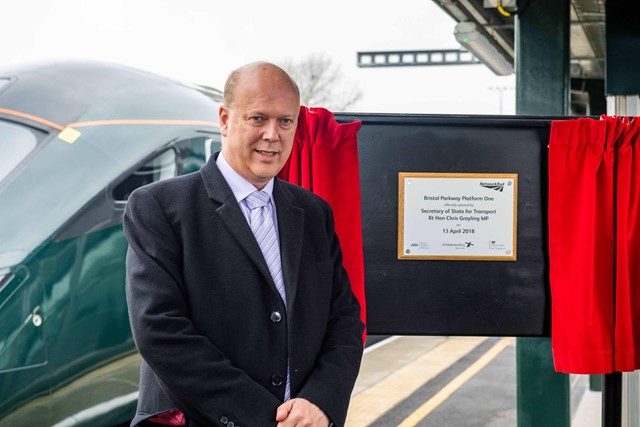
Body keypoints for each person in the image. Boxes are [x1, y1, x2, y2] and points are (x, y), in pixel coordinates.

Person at [124, 61, 364, 427]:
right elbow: (160, 330)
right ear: (224, 119)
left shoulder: (313, 212)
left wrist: (321, 401)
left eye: (285, 121)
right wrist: (264, 418)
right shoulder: (159, 207)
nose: (273, 134)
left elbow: (344, 319)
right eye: (258, 118)